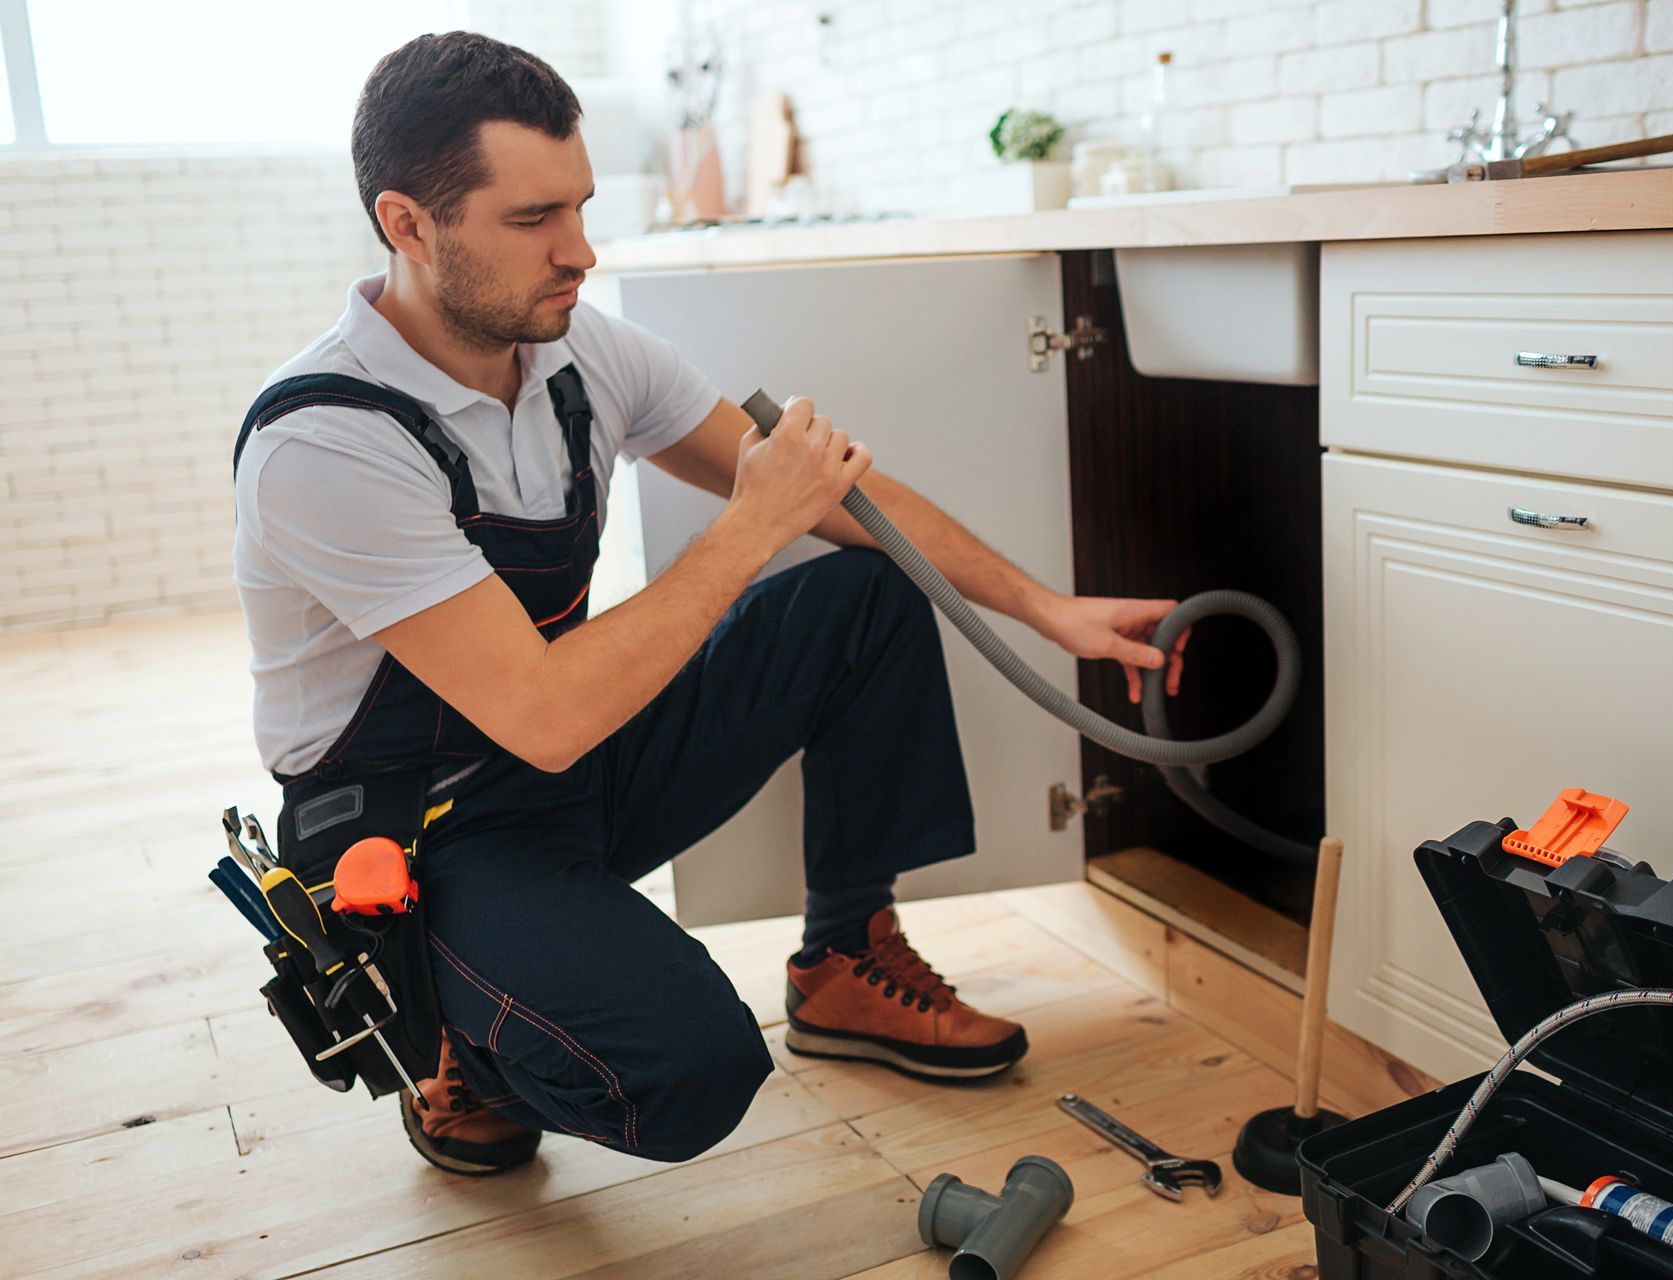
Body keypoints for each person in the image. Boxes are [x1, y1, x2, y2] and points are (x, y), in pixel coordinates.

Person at [231, 31, 1190, 1177]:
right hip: (422, 834)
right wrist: (750, 521)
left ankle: (845, 958)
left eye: (580, 206)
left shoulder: (579, 356)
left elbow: (849, 500)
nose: (579, 250)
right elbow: (544, 712)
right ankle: (456, 1041)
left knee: (863, 591)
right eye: (534, 219)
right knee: (693, 1069)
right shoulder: (327, 440)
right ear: (408, 223)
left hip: (562, 770)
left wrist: (1053, 609)